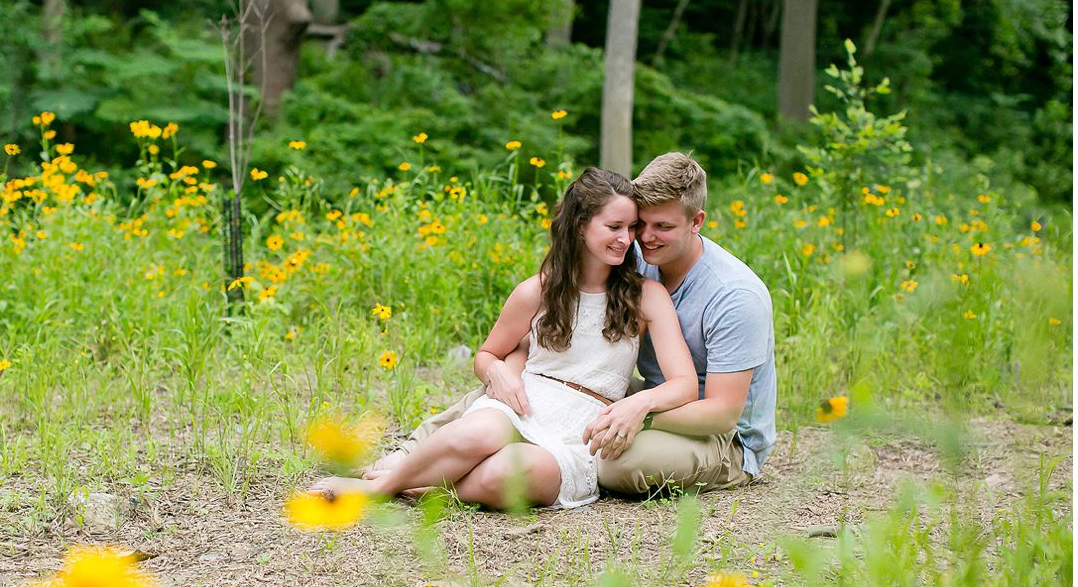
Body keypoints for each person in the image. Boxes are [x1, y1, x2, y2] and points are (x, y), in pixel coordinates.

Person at [371, 152, 776, 497]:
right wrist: (500, 369)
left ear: (696, 221)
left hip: (716, 430)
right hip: (648, 396)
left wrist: (633, 410)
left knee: (612, 462)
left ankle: (439, 479)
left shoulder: (734, 296)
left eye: (662, 227)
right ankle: (416, 454)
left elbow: (721, 412)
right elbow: (546, 339)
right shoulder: (634, 257)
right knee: (530, 375)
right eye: (638, 225)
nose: (644, 239)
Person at [311, 167, 698, 509]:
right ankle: (379, 489)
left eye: (631, 228)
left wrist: (640, 403)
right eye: (614, 227)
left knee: (506, 473)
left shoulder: (646, 295)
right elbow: (487, 354)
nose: (626, 239)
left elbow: (684, 385)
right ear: (580, 225)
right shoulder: (538, 291)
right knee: (478, 431)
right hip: (526, 400)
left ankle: (425, 489)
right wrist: (495, 369)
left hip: (582, 426)